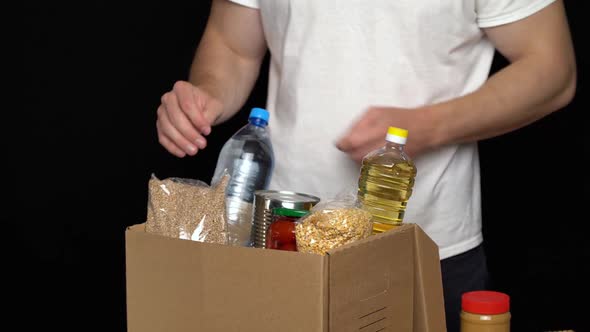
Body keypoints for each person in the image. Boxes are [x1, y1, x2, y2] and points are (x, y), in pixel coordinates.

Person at [155, 0, 576, 330]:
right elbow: (233, 47)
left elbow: (551, 69)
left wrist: (426, 127)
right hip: (279, 239)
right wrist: (206, 95)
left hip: (426, 242)